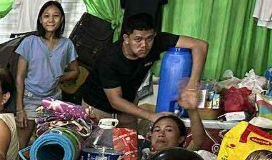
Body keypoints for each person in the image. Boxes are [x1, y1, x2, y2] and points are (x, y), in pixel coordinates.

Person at [76, 13, 208, 125]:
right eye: (137, 39)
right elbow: (115, 101)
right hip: (98, 108)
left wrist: (192, 85)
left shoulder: (157, 41)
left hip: (128, 107)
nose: (144, 45)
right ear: (126, 38)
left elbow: (200, 45)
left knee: (131, 144)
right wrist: (152, 116)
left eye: (149, 38)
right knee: (101, 146)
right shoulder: (108, 58)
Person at [14, 1, 79, 146]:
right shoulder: (29, 42)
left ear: (61, 19)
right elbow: (19, 77)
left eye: (55, 16)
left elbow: (76, 71)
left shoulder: (67, 44)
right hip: (30, 99)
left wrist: (58, 78)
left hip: (53, 100)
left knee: (48, 146)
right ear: (40, 19)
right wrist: (19, 109)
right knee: (22, 146)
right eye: (46, 16)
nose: (51, 20)